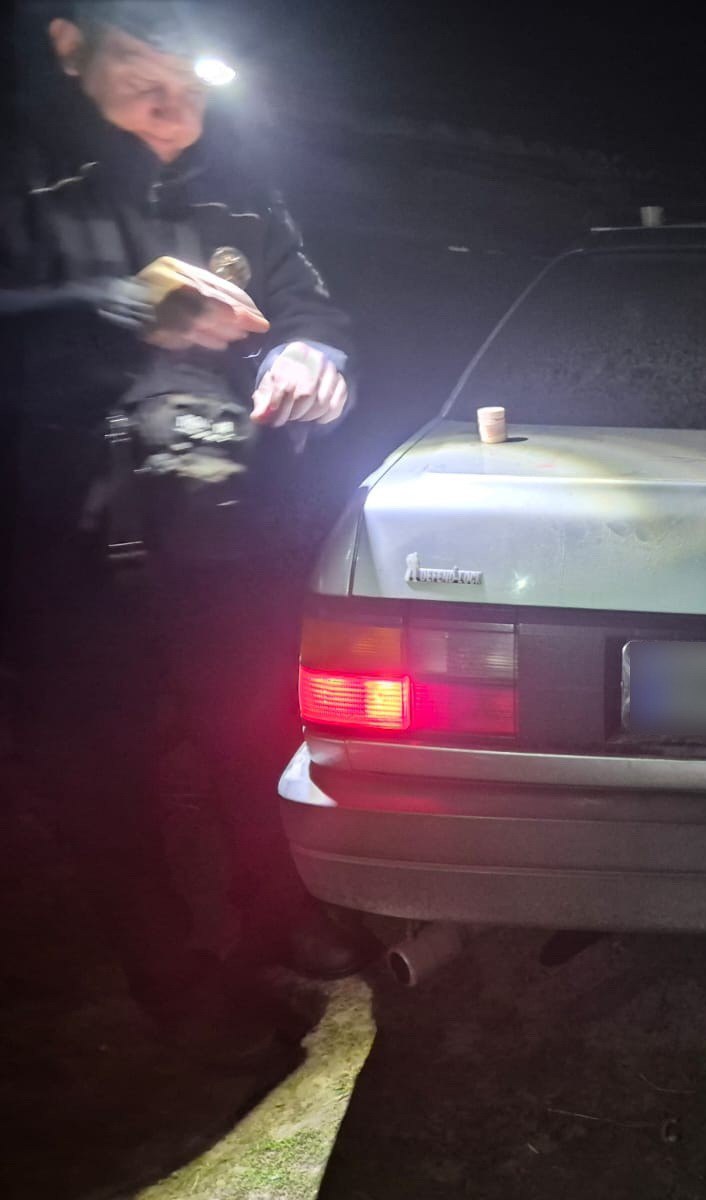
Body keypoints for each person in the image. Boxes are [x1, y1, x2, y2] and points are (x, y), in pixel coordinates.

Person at [1, 1, 376, 1062]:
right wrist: (117, 304)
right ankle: (170, 980)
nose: (174, 107)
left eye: (194, 84)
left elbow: (311, 305)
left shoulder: (237, 182)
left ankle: (276, 910)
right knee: (104, 765)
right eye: (143, 75)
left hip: (220, 524)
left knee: (250, 732)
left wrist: (314, 360)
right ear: (70, 48)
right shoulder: (23, 169)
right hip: (68, 541)